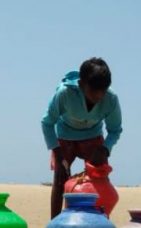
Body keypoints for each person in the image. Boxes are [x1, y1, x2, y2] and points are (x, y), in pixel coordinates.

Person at [41, 57, 122, 219]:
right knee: (60, 180)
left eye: (103, 92)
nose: (99, 97)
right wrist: (56, 151)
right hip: (65, 137)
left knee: (100, 181)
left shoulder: (111, 99)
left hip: (93, 138)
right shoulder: (64, 93)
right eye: (93, 92)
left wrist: (105, 149)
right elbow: (47, 123)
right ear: (81, 85)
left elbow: (115, 130)